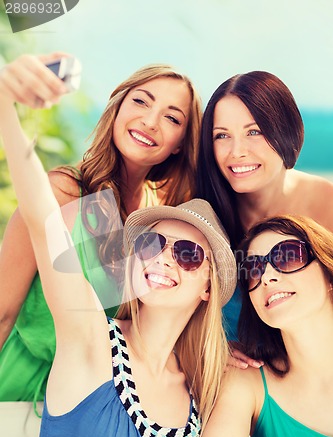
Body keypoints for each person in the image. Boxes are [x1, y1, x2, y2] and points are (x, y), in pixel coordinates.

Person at [0, 84, 237, 437]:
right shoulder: (91, 335)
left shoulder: (207, 388)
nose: (163, 258)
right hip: (19, 390)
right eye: (150, 244)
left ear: (208, 286)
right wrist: (5, 105)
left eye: (186, 253)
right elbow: (43, 220)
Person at [0, 53, 202, 403]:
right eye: (140, 101)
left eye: (172, 118)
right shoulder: (64, 191)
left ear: (181, 143)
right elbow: (2, 312)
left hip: (95, 402)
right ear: (118, 107)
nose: (151, 121)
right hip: (19, 387)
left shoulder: (158, 222)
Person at [199, 215, 333, 437]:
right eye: (254, 269)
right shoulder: (247, 379)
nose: (268, 276)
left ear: (327, 271)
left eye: (287, 256)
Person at [196, 70, 333, 343]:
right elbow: (119, 305)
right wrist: (211, 353)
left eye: (254, 131)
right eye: (222, 136)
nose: (237, 151)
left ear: (286, 130)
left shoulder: (326, 203)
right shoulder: (201, 218)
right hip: (239, 379)